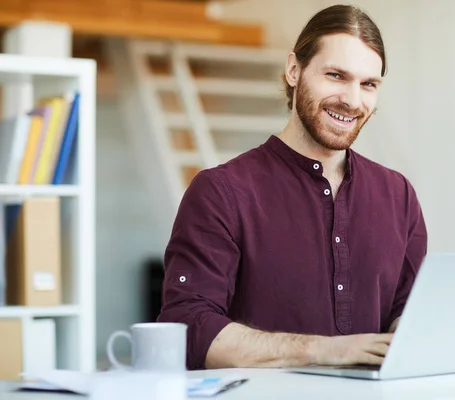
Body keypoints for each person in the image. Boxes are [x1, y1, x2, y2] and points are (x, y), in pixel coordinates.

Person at [157, 4, 428, 370]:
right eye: (335, 75)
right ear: (294, 70)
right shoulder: (220, 191)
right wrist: (323, 350)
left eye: (368, 84)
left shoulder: (399, 194)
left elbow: (409, 311)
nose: (352, 99)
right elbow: (186, 326)